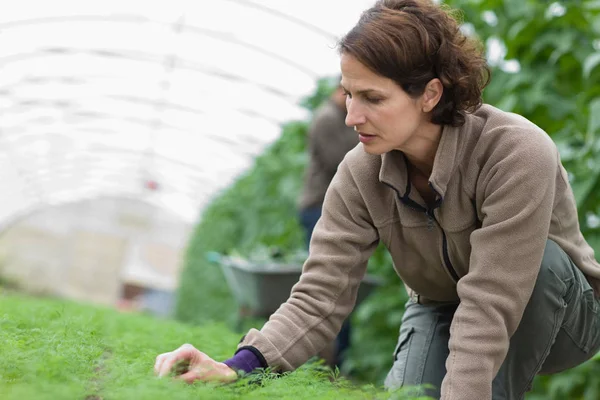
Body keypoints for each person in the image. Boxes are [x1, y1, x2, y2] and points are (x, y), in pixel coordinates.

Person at [154, 1, 600, 399]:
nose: (351, 116)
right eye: (349, 94)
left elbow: (492, 300)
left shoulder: (514, 151)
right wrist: (236, 368)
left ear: (430, 93)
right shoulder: (361, 171)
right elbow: (320, 295)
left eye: (372, 98)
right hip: (443, 307)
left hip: (563, 315)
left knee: (536, 267)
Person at [297, 78, 359, 368]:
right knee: (330, 279)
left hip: (325, 205)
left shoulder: (338, 118)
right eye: (348, 94)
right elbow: (344, 163)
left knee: (342, 281)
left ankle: (335, 357)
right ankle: (326, 359)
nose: (353, 104)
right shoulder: (326, 119)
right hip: (319, 207)